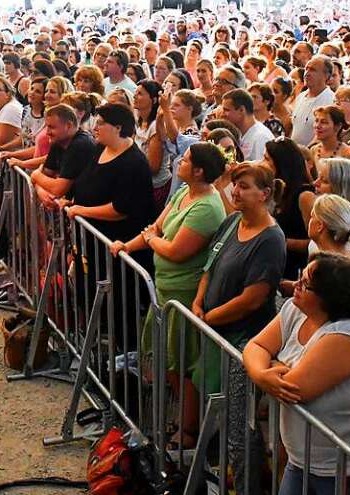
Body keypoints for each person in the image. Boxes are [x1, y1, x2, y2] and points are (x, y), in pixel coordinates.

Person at [244, 254, 350, 495]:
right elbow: (255, 347)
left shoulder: (348, 334)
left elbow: (294, 389)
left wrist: (269, 366)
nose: (295, 285)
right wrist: (263, 374)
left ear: (329, 298)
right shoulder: (295, 309)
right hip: (304, 460)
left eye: (305, 284)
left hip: (346, 465)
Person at [110, 142, 227, 445]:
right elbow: (156, 227)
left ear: (199, 170)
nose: (179, 162)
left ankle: (188, 429)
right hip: (164, 291)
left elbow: (175, 251)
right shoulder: (182, 193)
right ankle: (176, 419)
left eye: (185, 160)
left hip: (184, 298)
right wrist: (129, 244)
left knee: (182, 365)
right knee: (167, 361)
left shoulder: (208, 207)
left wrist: (150, 241)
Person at [192, 163, 287, 495]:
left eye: (244, 186)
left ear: (264, 194)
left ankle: (248, 486)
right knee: (220, 412)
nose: (235, 191)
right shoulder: (232, 221)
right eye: (234, 185)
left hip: (245, 343)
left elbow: (253, 298)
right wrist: (200, 302)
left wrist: (210, 317)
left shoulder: (271, 238)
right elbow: (210, 264)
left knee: (239, 425)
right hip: (216, 334)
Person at [63, 103, 155, 354]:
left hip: (117, 246)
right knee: (88, 292)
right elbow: (86, 183)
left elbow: (120, 209)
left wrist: (81, 211)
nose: (95, 127)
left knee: (119, 304)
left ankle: (123, 358)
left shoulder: (133, 162)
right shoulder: (101, 149)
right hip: (91, 242)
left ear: (118, 127)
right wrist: (73, 202)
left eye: (101, 123)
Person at [265, 138, 316, 280]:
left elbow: (316, 242)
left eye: (267, 159)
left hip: (295, 271)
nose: (262, 163)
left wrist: (280, 241)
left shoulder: (305, 196)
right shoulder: (278, 189)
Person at [30, 103, 96, 205]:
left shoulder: (81, 144)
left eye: (51, 127)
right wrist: (41, 192)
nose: (47, 132)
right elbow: (46, 175)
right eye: (46, 127)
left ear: (69, 125)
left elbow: (58, 189)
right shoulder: (58, 141)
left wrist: (35, 175)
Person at [132, 80, 171, 212]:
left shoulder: (156, 126)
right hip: (140, 183)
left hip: (155, 188)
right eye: (135, 92)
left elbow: (153, 167)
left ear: (154, 100)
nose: (134, 96)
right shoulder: (139, 121)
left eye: (140, 93)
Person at [306, 193, 350, 265]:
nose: (309, 221)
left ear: (320, 226)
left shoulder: (326, 267)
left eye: (312, 216)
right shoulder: (347, 263)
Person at [291, 56, 337, 147]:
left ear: (326, 75)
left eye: (313, 70)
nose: (307, 73)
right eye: (306, 69)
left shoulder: (332, 100)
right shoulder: (301, 96)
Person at [221, 88, 274, 161]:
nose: (222, 114)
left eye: (226, 110)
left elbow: (262, 171)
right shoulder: (239, 133)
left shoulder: (261, 137)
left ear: (241, 110)